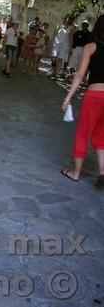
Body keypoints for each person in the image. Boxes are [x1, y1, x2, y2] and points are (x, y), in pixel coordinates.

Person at [61, 14, 104, 189]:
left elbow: (80, 75)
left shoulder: (90, 47)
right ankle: (102, 172)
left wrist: (68, 97)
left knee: (83, 133)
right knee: (102, 137)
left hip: (94, 95)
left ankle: (75, 173)